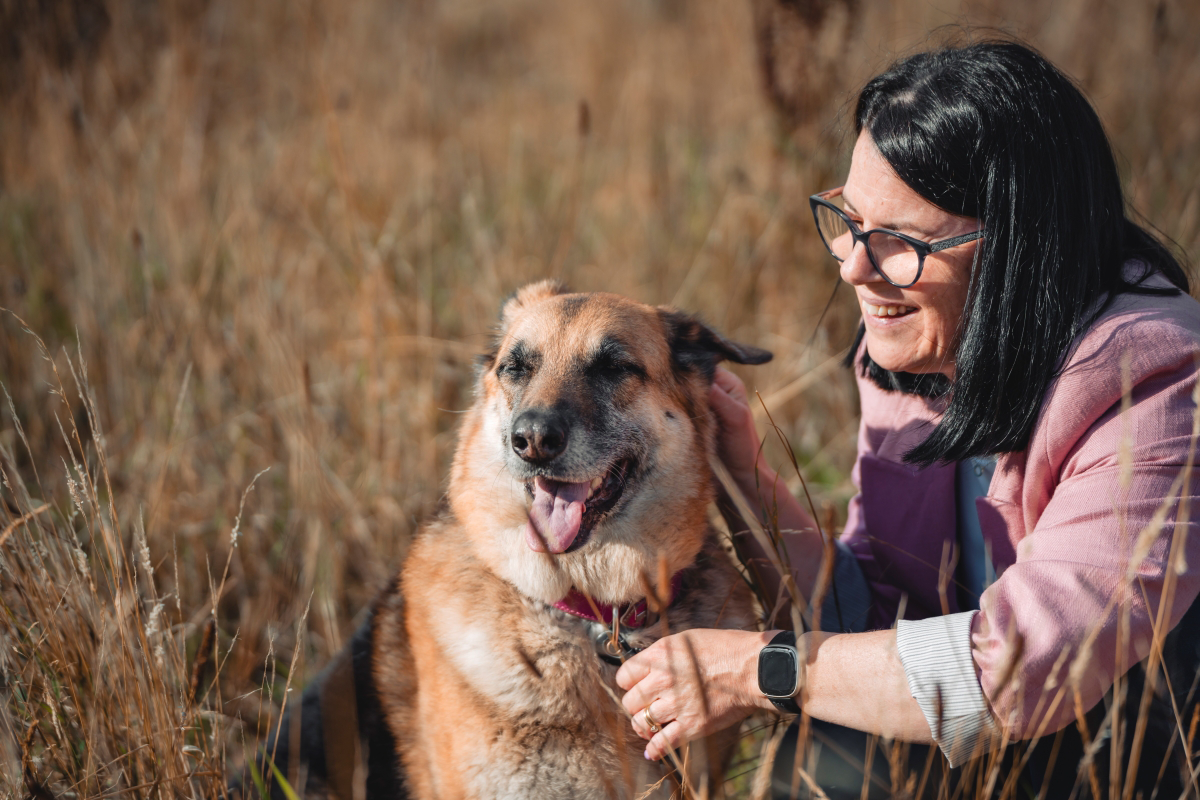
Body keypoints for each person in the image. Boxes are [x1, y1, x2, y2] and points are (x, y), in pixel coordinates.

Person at [616, 39, 1200, 798]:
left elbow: (1019, 675)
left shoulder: (1156, 384)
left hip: (1135, 746)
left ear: (1021, 247)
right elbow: (877, 609)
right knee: (827, 745)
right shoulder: (912, 351)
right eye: (849, 221)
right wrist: (744, 476)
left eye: (905, 241)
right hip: (990, 738)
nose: (854, 267)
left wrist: (753, 669)